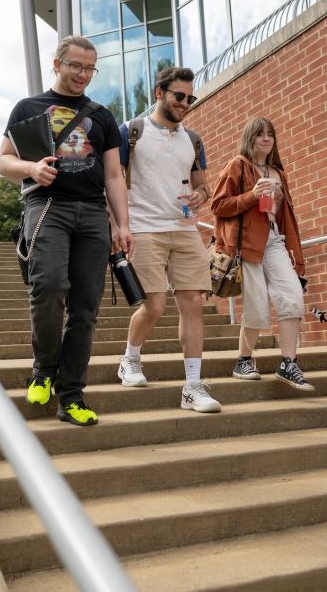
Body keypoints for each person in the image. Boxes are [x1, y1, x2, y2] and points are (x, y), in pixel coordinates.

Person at [0, 35, 132, 427]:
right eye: (76, 66)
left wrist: (123, 224)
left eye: (90, 68)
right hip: (47, 207)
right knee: (50, 286)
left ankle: (71, 394)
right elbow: (3, 161)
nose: (83, 75)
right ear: (57, 64)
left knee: (86, 307)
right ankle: (43, 369)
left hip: (92, 214)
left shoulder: (102, 116)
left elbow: (113, 174)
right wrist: (31, 169)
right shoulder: (28, 108)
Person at [116, 66, 221, 413]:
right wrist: (118, 226)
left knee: (193, 304)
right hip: (144, 227)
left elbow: (202, 185)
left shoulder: (192, 139)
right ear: (159, 93)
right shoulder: (131, 131)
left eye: (191, 98)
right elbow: (112, 180)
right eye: (179, 96)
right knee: (155, 305)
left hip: (185, 227)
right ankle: (130, 359)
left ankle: (192, 386)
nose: (186, 103)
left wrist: (200, 197)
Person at [211, 117, 313, 391]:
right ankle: (244, 360)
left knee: (292, 295)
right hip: (247, 244)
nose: (266, 139)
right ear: (250, 138)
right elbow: (218, 205)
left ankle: (288, 363)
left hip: (274, 241)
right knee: (256, 307)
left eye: (270, 134)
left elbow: (282, 217)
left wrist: (277, 204)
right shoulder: (238, 166)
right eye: (260, 134)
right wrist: (253, 195)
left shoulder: (278, 172)